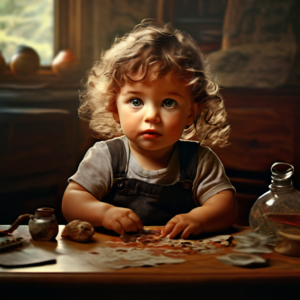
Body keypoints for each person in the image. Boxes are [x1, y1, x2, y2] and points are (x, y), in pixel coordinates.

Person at [62, 19, 237, 239]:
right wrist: (103, 212)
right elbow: (72, 201)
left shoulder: (200, 160)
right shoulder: (105, 156)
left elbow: (226, 207)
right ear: (114, 108)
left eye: (168, 103)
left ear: (190, 113)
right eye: (136, 102)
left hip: (179, 262)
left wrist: (199, 219)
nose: (152, 116)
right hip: (113, 261)